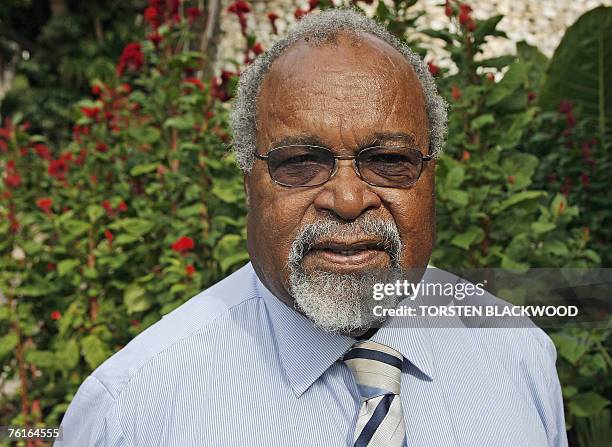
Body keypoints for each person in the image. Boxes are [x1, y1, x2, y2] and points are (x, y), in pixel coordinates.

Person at [56, 8, 568, 447]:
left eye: (389, 159)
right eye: (300, 162)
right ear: (248, 181)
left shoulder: (518, 354)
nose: (348, 199)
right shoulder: (133, 411)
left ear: (431, 175)